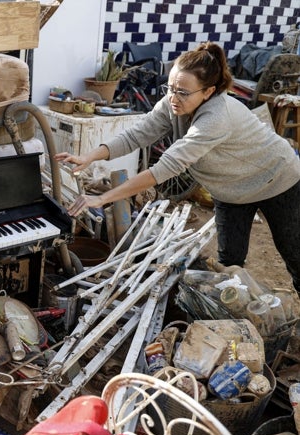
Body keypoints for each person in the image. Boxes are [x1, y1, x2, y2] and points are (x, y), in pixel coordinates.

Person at [55, 41, 300, 293]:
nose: (173, 97)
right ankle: (235, 317)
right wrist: (89, 157)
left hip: (277, 179)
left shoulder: (216, 117)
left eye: (183, 92)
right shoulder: (172, 103)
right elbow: (136, 135)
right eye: (170, 88)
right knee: (229, 263)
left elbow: (163, 169)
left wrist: (103, 198)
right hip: (231, 190)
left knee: (295, 256)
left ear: (208, 91)